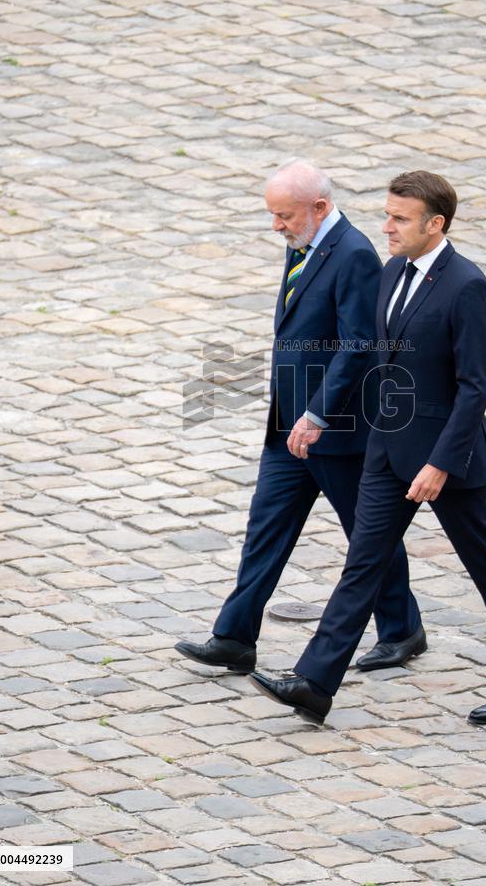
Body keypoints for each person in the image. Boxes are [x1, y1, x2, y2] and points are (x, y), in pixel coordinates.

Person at [249, 170, 486, 726]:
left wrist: (440, 463)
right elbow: (371, 358)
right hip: (385, 452)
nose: (385, 226)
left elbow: (474, 388)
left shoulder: (467, 286)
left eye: (399, 218)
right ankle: (315, 682)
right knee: (362, 565)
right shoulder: (390, 272)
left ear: (435, 224)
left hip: (446, 461)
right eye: (386, 214)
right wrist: (325, 418)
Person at [175, 160, 424, 676]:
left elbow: (359, 345)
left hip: (336, 431)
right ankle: (234, 637)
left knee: (367, 533)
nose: (277, 226)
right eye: (274, 215)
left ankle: (402, 630)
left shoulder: (353, 254)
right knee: (265, 529)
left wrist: (317, 414)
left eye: (284, 216)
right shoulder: (305, 244)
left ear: (319, 207)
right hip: (287, 425)